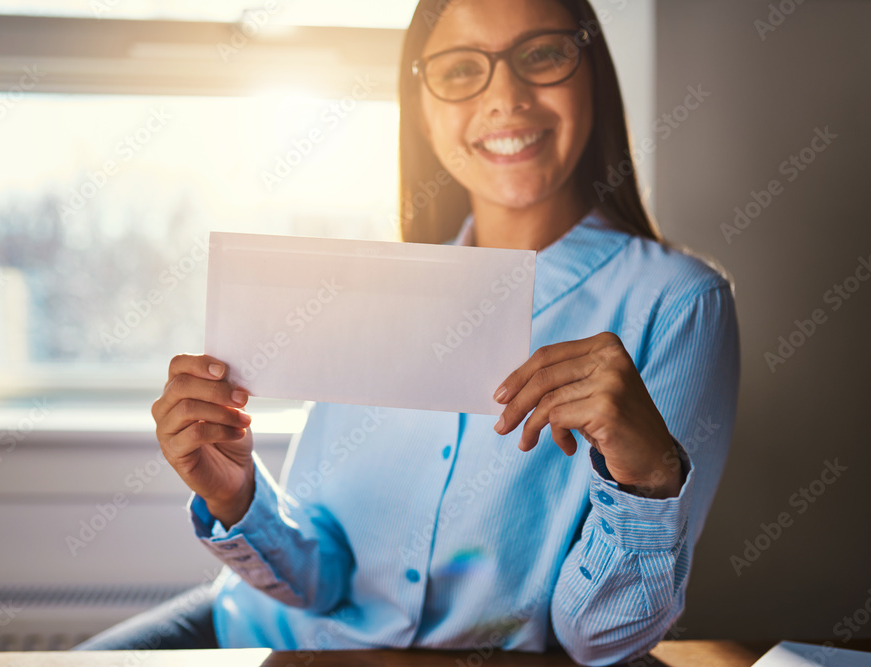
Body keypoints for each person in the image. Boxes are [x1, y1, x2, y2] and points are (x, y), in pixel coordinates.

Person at [75, 0, 740, 664]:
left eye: (542, 55)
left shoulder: (678, 305)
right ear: (422, 107)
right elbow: (319, 578)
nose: (505, 97)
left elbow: (599, 640)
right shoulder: (373, 287)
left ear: (591, 69)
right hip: (255, 630)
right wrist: (235, 493)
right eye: (459, 70)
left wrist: (647, 479)